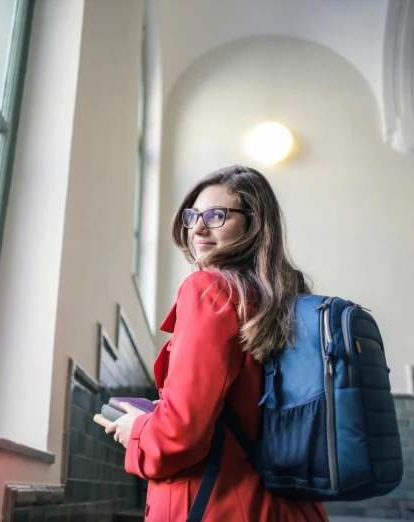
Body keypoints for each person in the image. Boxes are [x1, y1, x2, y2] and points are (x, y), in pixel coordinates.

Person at [106, 165, 329, 521]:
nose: (196, 227)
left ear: (253, 223)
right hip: (288, 506)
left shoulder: (209, 289)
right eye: (192, 215)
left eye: (216, 215)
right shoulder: (283, 298)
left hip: (221, 504)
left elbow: (179, 438)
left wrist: (138, 431)